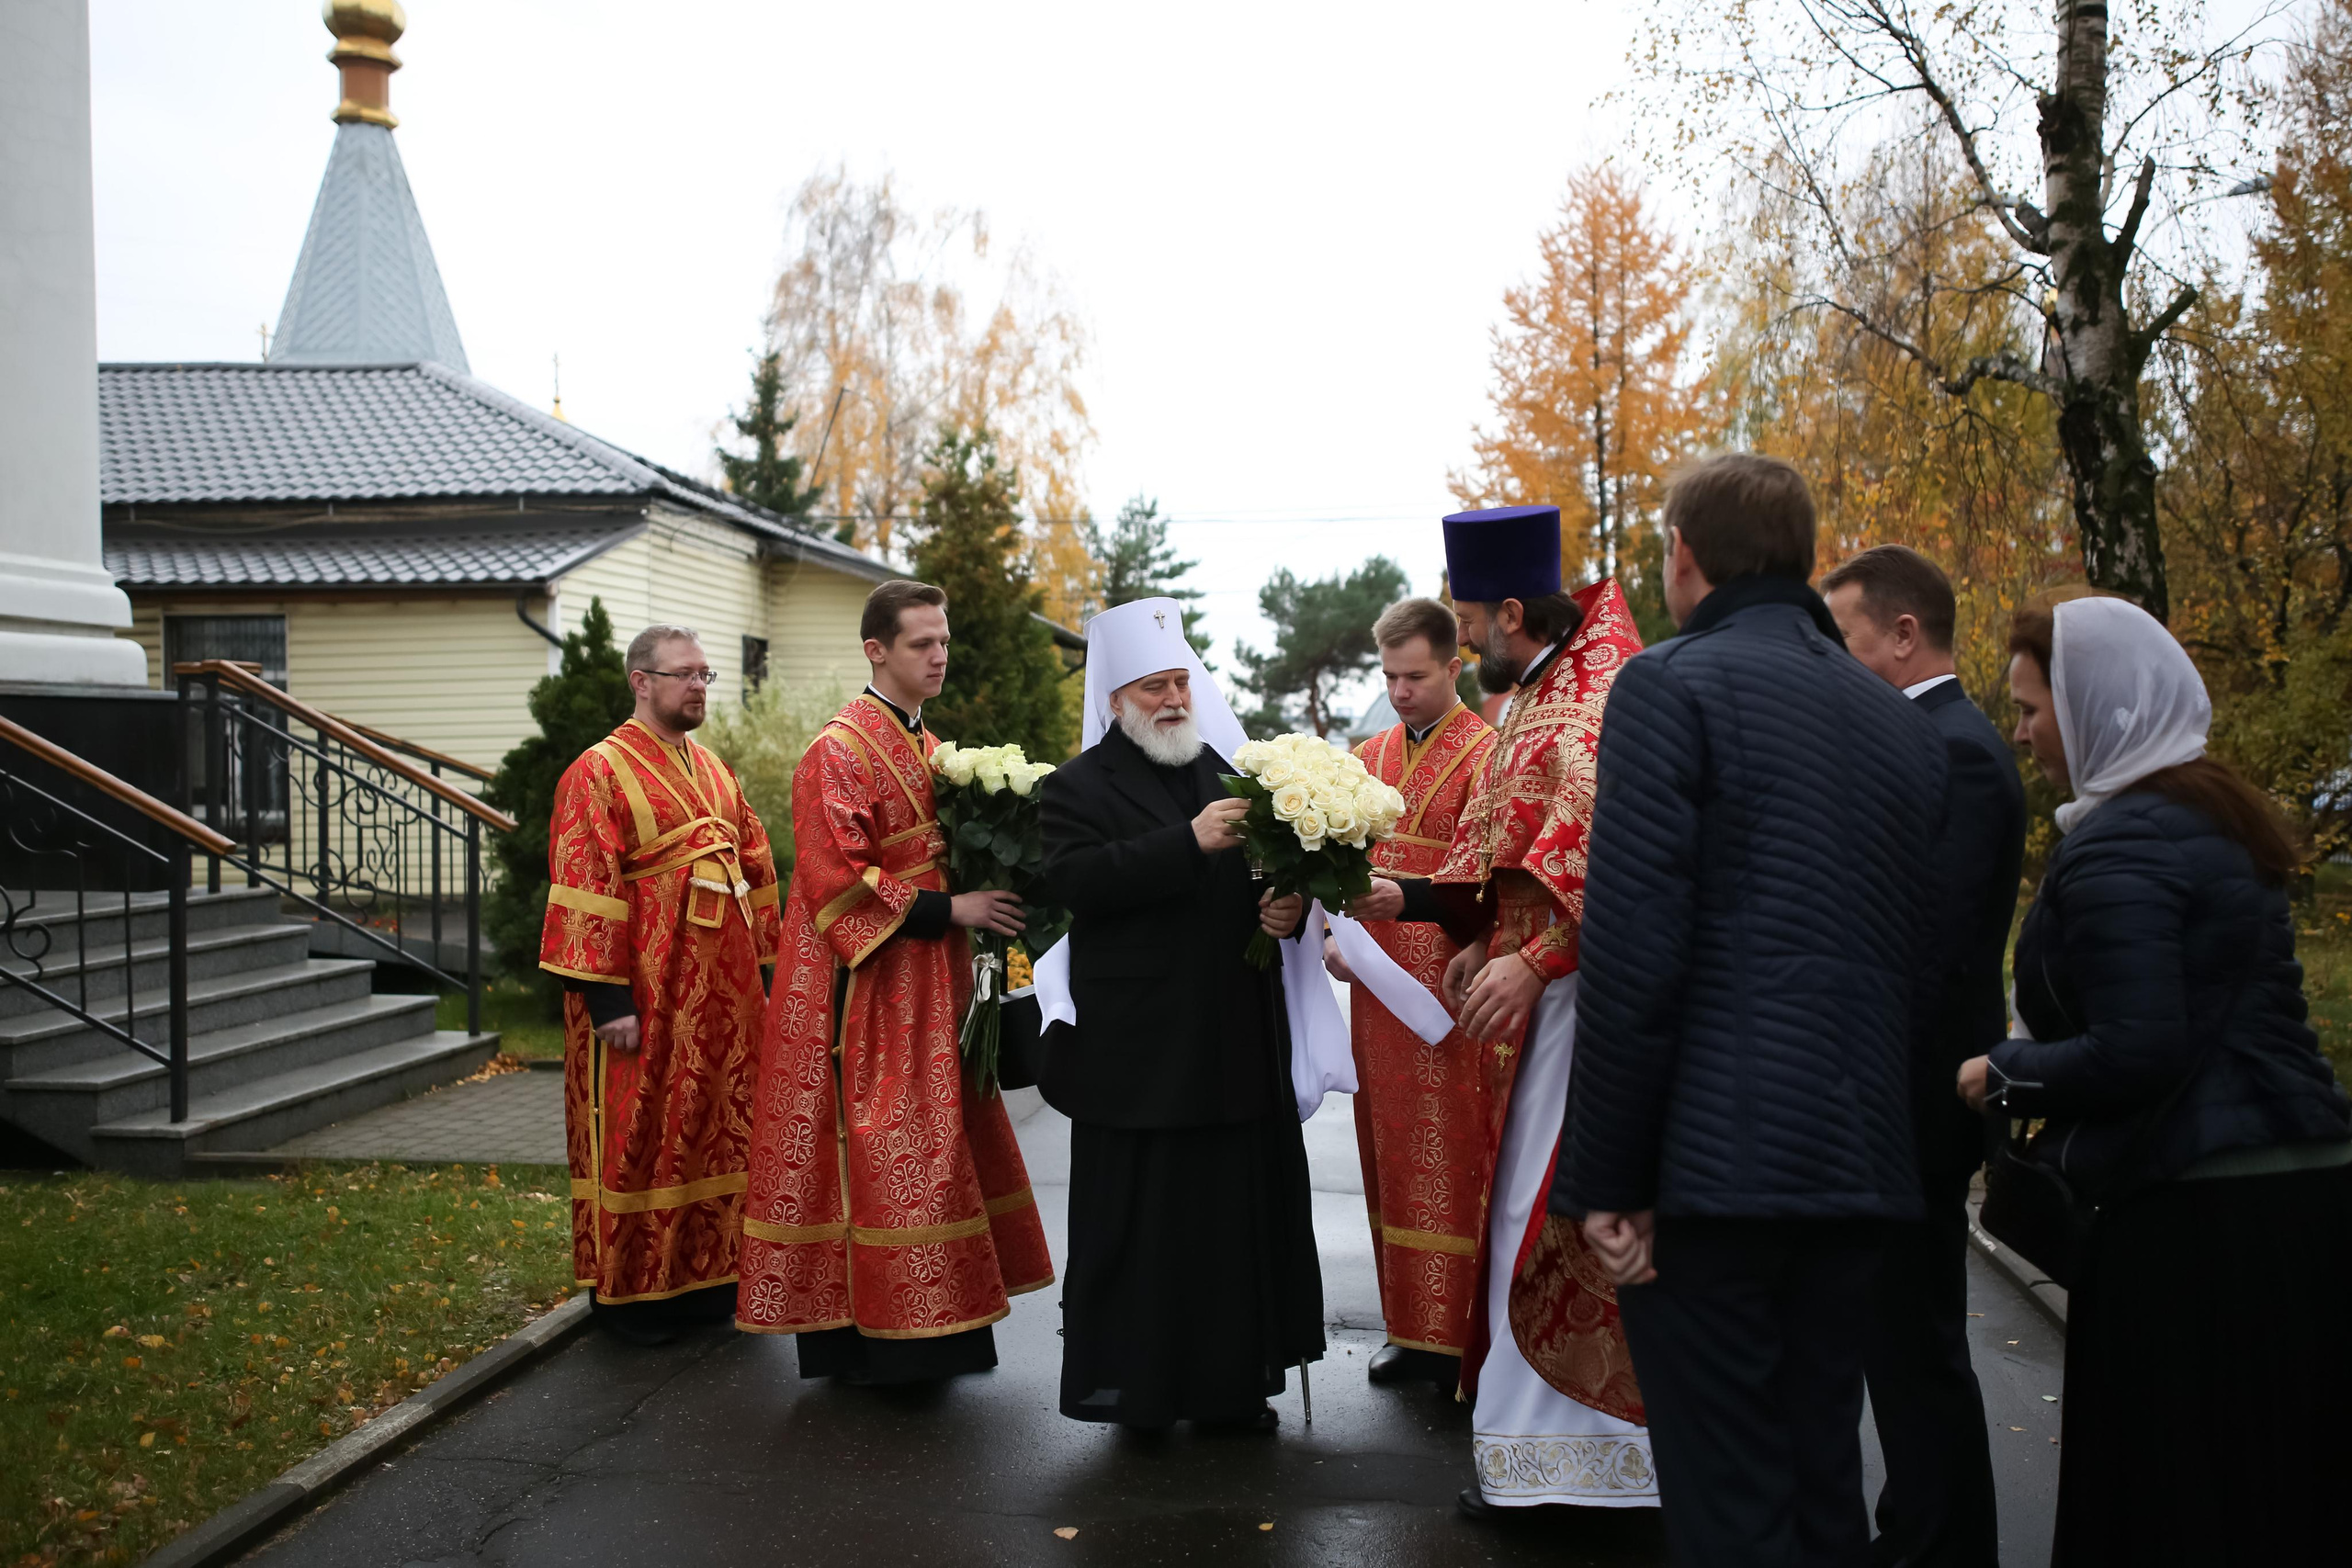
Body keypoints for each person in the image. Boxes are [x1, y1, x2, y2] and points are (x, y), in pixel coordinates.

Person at [1558, 454, 1947, 1568]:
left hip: (1712, 1177)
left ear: (1684, 556)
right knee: (1821, 1477)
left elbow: (1637, 947)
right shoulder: (1895, 724)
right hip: (1858, 1163)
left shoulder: (1669, 686)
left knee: (1728, 1496)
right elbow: (1912, 961)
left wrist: (1610, 1181)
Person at [1958, 589, 2352, 1565]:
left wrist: (2000, 1071)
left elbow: (2139, 1048)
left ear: (2096, 706)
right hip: (2291, 1196)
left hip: (2195, 1225)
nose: (2021, 733)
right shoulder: (2208, 819)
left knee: (2172, 1488)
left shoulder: (2124, 844)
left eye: (2030, 707)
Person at [1389, 507, 1657, 1517]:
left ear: (1509, 611)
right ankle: (1538, 1451)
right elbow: (1519, 854)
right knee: (1518, 1207)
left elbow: (1608, 854)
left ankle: (1580, 1466)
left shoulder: (1594, 693)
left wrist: (1537, 961)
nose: (1463, 642)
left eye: (1467, 623)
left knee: (1547, 1210)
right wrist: (1477, 942)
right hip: (1542, 994)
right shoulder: (1546, 683)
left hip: (1585, 1000)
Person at [734, 581, 1053, 1383]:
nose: (939, 654)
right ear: (877, 650)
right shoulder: (835, 749)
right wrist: (954, 905)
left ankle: (941, 1328)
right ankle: (877, 1342)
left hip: (932, 975)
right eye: (921, 642)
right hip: (862, 988)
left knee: (939, 1145)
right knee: (885, 1147)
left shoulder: (930, 746)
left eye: (944, 640)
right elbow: (833, 880)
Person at [1038, 596, 1323, 1430]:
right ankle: (1142, 1393)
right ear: (1117, 701)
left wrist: (1290, 906)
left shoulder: (1232, 777)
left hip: (1233, 1044)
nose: (1173, 699)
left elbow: (1280, 876)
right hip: (1140, 1060)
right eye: (1155, 686)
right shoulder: (1076, 786)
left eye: (1180, 682)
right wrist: (1185, 843)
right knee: (1147, 1233)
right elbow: (1075, 883)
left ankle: (1234, 1386)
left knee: (1230, 1226)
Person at [1823, 545, 2020, 1568]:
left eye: (1846, 643)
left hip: (1915, 1098)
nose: (1836, 669)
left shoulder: (1957, 750)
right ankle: (1919, 1531)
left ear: (1903, 636)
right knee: (1895, 1347)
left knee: (1916, 1351)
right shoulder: (1925, 740)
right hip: (1897, 1098)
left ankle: (1940, 1546)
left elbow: (1926, 948)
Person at [539, 624, 784, 1345]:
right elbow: (585, 880)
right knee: (643, 1136)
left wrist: (767, 979)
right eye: (684, 674)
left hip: (726, 1005)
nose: (698, 687)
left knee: (716, 1134)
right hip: (647, 996)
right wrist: (607, 1001)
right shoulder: (599, 770)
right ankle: (634, 1296)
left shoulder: (715, 770)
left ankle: (711, 1281)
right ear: (641, 681)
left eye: (706, 675)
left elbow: (758, 865)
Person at [1322, 597, 1496, 1387]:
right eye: (1389, 676)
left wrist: (1416, 899)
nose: (1399, 691)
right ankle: (1409, 1325)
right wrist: (1332, 933)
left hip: (1455, 988)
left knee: (1457, 1152)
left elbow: (1491, 879)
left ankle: (1463, 1330)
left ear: (1455, 667)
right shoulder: (1367, 754)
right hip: (1377, 989)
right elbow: (1335, 869)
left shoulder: (1491, 755)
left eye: (1416, 676)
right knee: (1387, 1146)